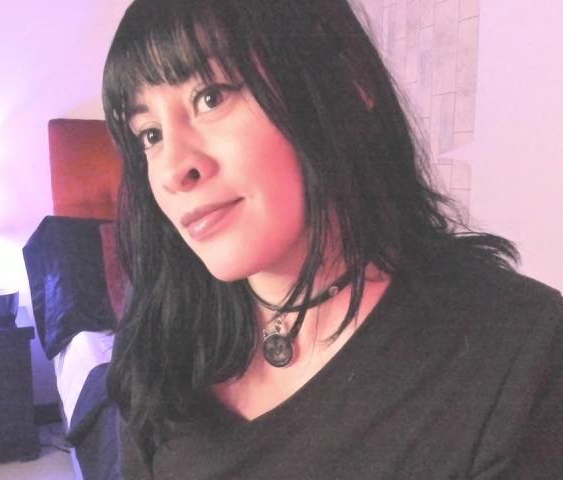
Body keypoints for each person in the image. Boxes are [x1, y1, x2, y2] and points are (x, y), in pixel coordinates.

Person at [101, 0, 563, 478]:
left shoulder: (519, 352)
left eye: (211, 97)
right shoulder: (162, 341)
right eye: (149, 135)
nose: (173, 169)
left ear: (347, 79)